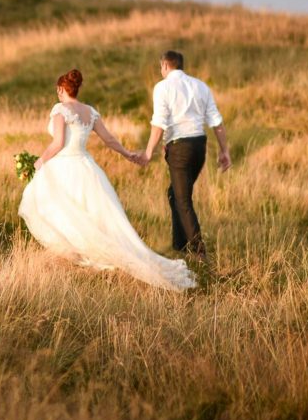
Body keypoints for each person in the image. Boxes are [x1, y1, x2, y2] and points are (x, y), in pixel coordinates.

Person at [18, 69, 197, 291]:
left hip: (64, 166)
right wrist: (127, 153)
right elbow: (109, 140)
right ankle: (81, 254)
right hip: (87, 168)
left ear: (62, 89)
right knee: (90, 214)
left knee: (57, 208)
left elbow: (58, 143)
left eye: (58, 90)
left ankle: (81, 253)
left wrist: (39, 162)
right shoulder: (90, 112)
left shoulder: (60, 110)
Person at [133, 50, 231, 262]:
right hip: (199, 147)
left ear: (165, 66)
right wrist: (225, 151)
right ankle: (180, 246)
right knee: (174, 194)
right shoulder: (200, 86)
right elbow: (216, 122)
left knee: (182, 200)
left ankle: (199, 252)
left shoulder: (163, 87)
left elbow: (159, 122)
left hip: (180, 149)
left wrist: (148, 152)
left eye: (160, 67)